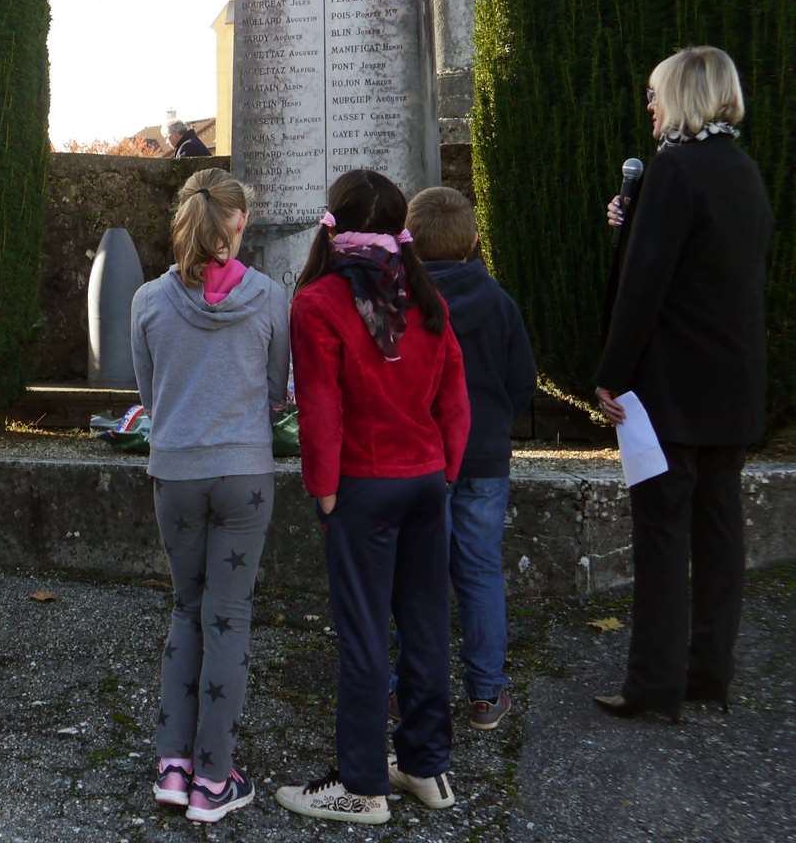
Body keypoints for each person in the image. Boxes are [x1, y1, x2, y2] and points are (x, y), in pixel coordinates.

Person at [274, 169, 469, 827]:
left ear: (332, 223)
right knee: (424, 627)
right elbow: (454, 400)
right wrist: (443, 473)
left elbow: (320, 406)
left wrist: (322, 490)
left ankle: (360, 784)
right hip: (423, 481)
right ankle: (425, 765)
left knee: (362, 637)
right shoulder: (427, 297)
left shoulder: (317, 302)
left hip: (361, 483)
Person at [593, 47, 772, 723]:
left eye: (654, 91)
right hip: (732, 383)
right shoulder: (741, 170)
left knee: (662, 536)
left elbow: (646, 288)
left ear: (683, 95)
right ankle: (708, 676)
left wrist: (611, 374)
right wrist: (633, 224)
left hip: (668, 387)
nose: (648, 104)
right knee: (720, 533)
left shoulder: (672, 170)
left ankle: (652, 686)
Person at [129, 169, 288, 824]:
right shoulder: (272, 298)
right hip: (243, 473)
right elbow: (278, 391)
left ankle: (172, 763)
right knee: (229, 618)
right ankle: (214, 776)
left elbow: (148, 389)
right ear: (240, 222)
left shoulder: (148, 301)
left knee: (185, 611)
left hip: (176, 472)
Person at [389, 187, 535, 732]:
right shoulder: (499, 303)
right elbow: (522, 383)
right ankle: (486, 693)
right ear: (475, 241)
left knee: (418, 575)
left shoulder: (402, 303)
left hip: (421, 456)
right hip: (485, 456)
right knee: (479, 573)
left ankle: (410, 689)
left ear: (411, 242)